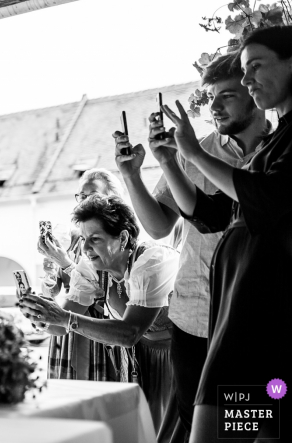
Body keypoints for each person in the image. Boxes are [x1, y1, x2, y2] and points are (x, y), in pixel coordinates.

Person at [112, 53, 269, 437]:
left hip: (258, 321)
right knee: (199, 427)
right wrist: (131, 176)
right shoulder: (194, 151)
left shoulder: (277, 153)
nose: (213, 107)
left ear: (255, 94)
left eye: (226, 95)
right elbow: (159, 226)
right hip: (194, 319)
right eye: (210, 96)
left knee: (256, 426)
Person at [150, 26, 292, 442]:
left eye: (255, 68)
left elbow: (263, 199)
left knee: (236, 432)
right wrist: (171, 161)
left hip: (265, 320)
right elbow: (213, 215)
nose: (248, 79)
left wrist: (193, 153)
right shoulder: (276, 141)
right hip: (236, 315)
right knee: (238, 430)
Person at [21, 194, 180, 442]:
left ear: (124, 238)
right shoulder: (92, 268)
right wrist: (39, 315)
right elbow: (61, 326)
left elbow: (129, 333)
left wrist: (63, 318)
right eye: (84, 239)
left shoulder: (153, 261)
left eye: (95, 239)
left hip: (180, 357)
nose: (85, 248)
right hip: (140, 361)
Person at [37, 168, 124, 380]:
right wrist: (49, 275)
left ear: (111, 198)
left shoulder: (114, 240)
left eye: (91, 195)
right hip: (66, 321)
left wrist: (63, 261)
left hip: (95, 328)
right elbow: (55, 288)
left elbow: (99, 287)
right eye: (81, 196)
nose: (84, 201)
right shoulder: (72, 238)